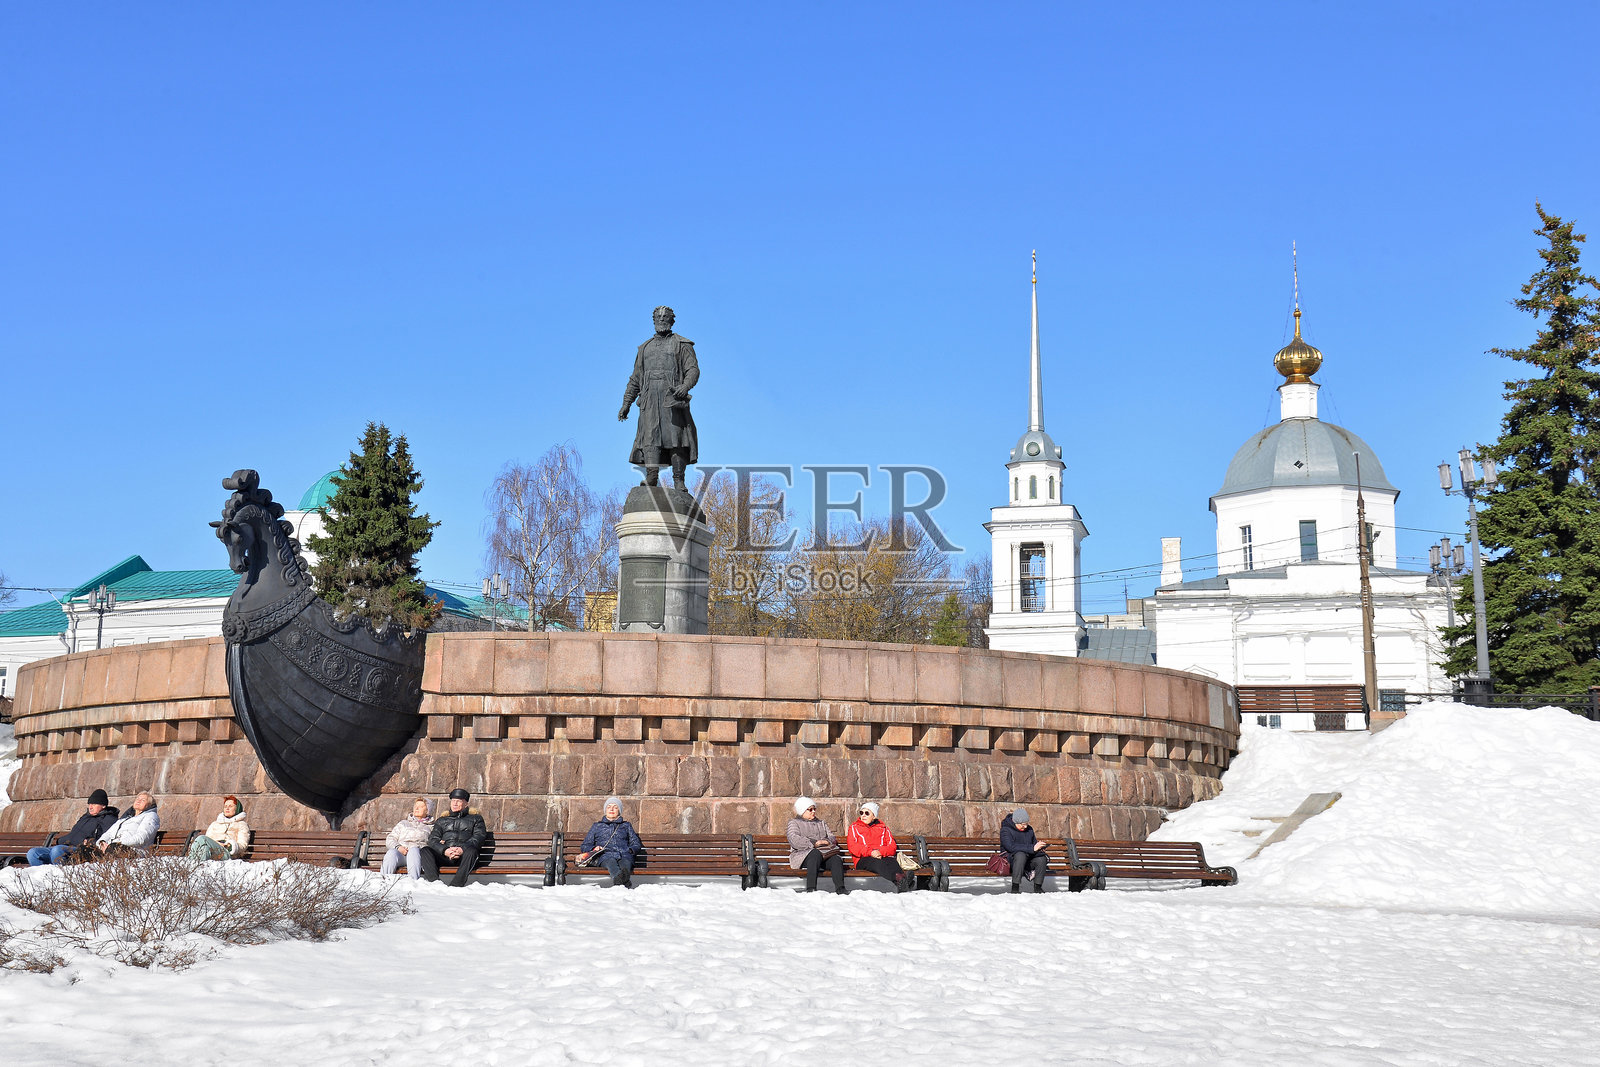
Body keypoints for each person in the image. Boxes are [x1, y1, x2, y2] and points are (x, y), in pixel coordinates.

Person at [618, 305, 700, 490]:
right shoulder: (644, 348)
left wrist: (685, 386)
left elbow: (692, 369)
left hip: (672, 398)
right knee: (650, 437)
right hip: (649, 399)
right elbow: (635, 378)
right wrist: (626, 403)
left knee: (676, 438)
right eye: (658, 318)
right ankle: (652, 476)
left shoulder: (682, 344)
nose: (661, 320)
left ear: (672, 321)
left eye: (665, 317)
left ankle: (678, 480)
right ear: (653, 321)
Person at [27, 789, 119, 865]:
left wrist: (90, 842)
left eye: (94, 804)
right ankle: (42, 880)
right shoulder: (86, 816)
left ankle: (58, 879)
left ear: (103, 805)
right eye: (90, 804)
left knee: (57, 851)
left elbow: (106, 839)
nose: (90, 807)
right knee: (33, 853)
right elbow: (74, 834)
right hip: (67, 846)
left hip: (82, 851)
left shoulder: (109, 819)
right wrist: (60, 840)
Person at [422, 788, 487, 887]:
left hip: (464, 857)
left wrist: (462, 849)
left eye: (458, 801)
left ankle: (456, 885)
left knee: (472, 851)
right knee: (425, 850)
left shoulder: (476, 819)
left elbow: (479, 837)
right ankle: (435, 884)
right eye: (453, 800)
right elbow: (433, 839)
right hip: (445, 856)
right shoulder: (442, 820)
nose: (455, 803)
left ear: (466, 803)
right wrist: (445, 850)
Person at [846, 801, 916, 892]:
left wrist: (879, 852)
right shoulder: (854, 827)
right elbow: (853, 846)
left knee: (892, 862)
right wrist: (871, 852)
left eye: (867, 813)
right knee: (877, 863)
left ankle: (902, 882)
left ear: (874, 816)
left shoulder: (883, 828)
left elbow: (892, 847)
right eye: (861, 813)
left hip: (881, 855)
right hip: (863, 859)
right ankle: (902, 880)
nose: (863, 815)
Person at [575, 796, 643, 888]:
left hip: (624, 854)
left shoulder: (626, 825)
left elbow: (636, 843)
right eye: (609, 807)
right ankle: (619, 880)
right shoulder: (597, 826)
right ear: (605, 810)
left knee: (625, 865)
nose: (611, 809)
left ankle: (622, 879)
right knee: (611, 862)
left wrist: (630, 850)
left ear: (619, 811)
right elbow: (585, 845)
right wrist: (594, 848)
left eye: (615, 807)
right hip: (605, 855)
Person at [787, 796, 845, 894]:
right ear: (802, 811)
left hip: (824, 854)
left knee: (836, 859)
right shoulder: (794, 823)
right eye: (810, 809)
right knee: (814, 854)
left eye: (814, 809)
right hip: (803, 855)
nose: (813, 811)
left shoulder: (821, 823)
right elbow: (794, 839)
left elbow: (832, 837)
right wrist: (814, 843)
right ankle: (811, 888)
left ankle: (840, 888)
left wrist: (827, 841)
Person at [381, 798, 435, 879]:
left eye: (420, 807)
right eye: (415, 806)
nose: (416, 808)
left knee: (413, 850)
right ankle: (383, 881)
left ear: (427, 810)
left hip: (417, 855)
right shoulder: (403, 823)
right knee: (392, 853)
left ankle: (413, 882)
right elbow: (390, 839)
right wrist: (398, 847)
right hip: (402, 854)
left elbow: (433, 843)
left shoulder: (431, 827)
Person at [1000, 807, 1049, 894]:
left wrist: (1039, 847)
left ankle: (1038, 887)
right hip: (1012, 860)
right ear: (1016, 822)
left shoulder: (1029, 829)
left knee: (1041, 859)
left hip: (1028, 859)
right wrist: (1032, 848)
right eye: (1023, 824)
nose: (1025, 826)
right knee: (1020, 855)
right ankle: (1015, 887)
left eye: (1026, 824)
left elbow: (1033, 844)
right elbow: (1010, 847)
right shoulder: (1006, 830)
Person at [96, 791, 160, 857]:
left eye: (143, 800)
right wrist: (102, 842)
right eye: (137, 799)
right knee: (87, 850)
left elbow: (141, 838)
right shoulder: (126, 818)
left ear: (149, 805)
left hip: (136, 850)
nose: (138, 801)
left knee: (113, 848)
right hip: (113, 847)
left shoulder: (151, 816)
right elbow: (109, 833)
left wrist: (118, 843)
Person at [188, 796, 252, 861]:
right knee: (204, 848)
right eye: (225, 806)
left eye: (230, 806)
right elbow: (207, 840)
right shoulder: (215, 824)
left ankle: (189, 863)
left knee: (201, 838)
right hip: (213, 850)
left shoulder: (241, 825)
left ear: (237, 808)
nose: (227, 808)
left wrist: (230, 846)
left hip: (227, 853)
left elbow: (243, 844)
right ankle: (197, 868)